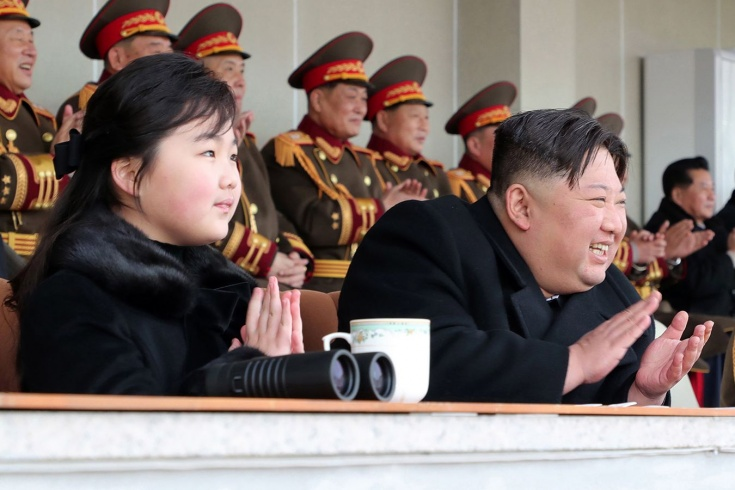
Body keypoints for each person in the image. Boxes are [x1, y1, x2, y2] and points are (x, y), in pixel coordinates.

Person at [338, 108, 712, 404]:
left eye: (620, 203)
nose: (616, 225)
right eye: (598, 200)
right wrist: (574, 363)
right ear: (521, 205)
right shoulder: (425, 237)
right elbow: (418, 362)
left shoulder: (611, 288)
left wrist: (643, 392)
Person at [9, 53, 303, 395]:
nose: (231, 179)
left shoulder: (233, 297)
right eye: (209, 153)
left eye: (233, 156)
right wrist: (246, 375)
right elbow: (127, 425)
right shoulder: (71, 301)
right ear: (130, 173)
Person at [261, 31, 425, 292]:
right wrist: (382, 207)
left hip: (371, 284)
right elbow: (314, 222)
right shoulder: (289, 151)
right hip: (319, 290)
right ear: (317, 100)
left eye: (364, 99)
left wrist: (401, 210)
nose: (361, 108)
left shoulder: (362, 158)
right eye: (351, 97)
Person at [175, 3, 312, 289]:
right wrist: (266, 258)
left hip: (263, 282)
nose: (240, 81)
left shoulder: (246, 140)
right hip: (216, 284)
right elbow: (189, 210)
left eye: (242, 71)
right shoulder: (184, 137)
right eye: (229, 69)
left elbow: (268, 210)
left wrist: (292, 255)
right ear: (197, 78)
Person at [645, 156, 735, 406]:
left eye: (713, 188)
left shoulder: (705, 223)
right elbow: (694, 284)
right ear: (678, 194)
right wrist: (731, 256)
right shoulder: (668, 228)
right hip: (689, 314)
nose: (712, 196)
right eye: (704, 188)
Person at [0, 0, 80, 258]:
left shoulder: (42, 120)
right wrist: (58, 163)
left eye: (31, 40)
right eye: (18, 39)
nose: (31, 51)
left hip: (44, 263)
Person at [55, 0, 176, 125]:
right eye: (157, 52)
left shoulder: (170, 100)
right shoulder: (88, 108)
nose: (169, 61)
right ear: (117, 58)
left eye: (170, 52)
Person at [366, 55, 452, 199]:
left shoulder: (435, 174)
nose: (424, 127)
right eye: (415, 116)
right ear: (383, 121)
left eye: (426, 118)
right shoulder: (367, 167)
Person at [445, 81, 516, 202]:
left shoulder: (508, 184)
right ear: (474, 146)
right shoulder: (457, 186)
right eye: (502, 138)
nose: (511, 144)